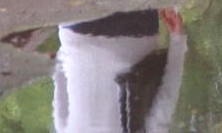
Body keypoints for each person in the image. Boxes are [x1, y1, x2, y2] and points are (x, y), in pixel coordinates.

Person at [52, 9, 188, 133]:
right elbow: (59, 77)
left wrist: (178, 40)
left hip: (135, 30)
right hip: (78, 31)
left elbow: (165, 100)